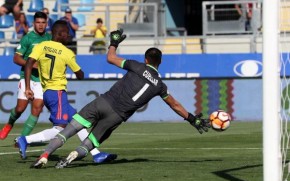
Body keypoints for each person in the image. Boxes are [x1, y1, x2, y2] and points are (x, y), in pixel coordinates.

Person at [30, 28, 211, 169]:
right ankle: (72, 157)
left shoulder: (136, 66)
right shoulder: (160, 86)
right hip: (116, 116)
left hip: (102, 102)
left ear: (146, 59)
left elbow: (110, 58)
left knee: (70, 129)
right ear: (160, 62)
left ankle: (44, 156)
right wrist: (192, 119)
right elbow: (175, 105)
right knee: (90, 143)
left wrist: (114, 42)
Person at [17, 20, 117, 164]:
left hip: (48, 93)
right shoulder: (66, 52)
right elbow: (80, 75)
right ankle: (25, 139)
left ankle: (96, 154)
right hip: (57, 93)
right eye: (67, 32)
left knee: (78, 121)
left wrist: (27, 87)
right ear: (60, 33)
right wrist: (78, 71)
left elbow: (28, 64)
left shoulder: (42, 46)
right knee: (60, 129)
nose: (69, 35)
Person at [0, 11, 51, 140]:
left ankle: (22, 139)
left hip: (42, 80)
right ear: (33, 23)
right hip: (27, 76)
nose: (40, 25)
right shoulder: (27, 38)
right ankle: (9, 124)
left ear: (46, 23)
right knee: (20, 108)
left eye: (43, 23)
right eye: (38, 22)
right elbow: (16, 58)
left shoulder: (50, 39)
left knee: (37, 108)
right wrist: (31, 64)